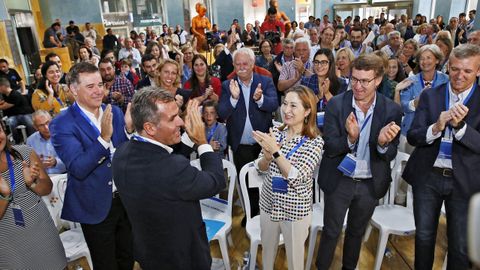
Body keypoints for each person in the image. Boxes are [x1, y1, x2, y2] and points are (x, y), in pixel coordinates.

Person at [112, 88, 224, 269]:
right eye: (173, 118)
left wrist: (188, 138)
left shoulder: (121, 153)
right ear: (149, 127)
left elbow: (162, 159)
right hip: (183, 258)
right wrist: (202, 142)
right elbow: (216, 181)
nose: (180, 121)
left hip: (149, 253)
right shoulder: (172, 168)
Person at [316, 54, 402, 270]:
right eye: (354, 79)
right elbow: (330, 146)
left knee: (356, 232)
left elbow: (390, 153)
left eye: (365, 81)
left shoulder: (391, 109)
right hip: (340, 180)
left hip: (369, 184)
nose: (358, 86)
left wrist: (383, 143)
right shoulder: (336, 104)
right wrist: (349, 139)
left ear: (378, 80)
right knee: (331, 231)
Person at [403, 43, 480, 270]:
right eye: (455, 69)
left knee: (460, 246)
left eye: (467, 71)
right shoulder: (430, 96)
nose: (459, 76)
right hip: (428, 177)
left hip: (464, 182)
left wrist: (461, 128)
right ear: (448, 67)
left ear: (478, 70)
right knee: (424, 238)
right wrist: (436, 127)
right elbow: (414, 137)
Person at [50, 62, 134, 270]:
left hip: (125, 200)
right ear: (73, 89)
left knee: (128, 257)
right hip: (95, 206)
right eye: (90, 86)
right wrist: (104, 139)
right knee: (106, 264)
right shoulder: (62, 123)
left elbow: (124, 154)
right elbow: (78, 168)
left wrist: (130, 132)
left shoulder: (112, 110)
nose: (98, 91)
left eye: (100, 84)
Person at [253, 85, 323, 270]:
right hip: (269, 204)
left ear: (307, 111)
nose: (286, 110)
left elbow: (296, 177)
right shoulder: (276, 133)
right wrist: (266, 158)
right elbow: (260, 169)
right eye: (285, 104)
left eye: (293, 106)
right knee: (267, 252)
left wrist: (275, 151)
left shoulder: (314, 142)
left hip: (295, 211)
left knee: (294, 259)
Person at [218, 47, 278, 224]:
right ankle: (251, 214)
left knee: (267, 180)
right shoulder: (227, 85)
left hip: (263, 145)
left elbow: (274, 104)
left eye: (245, 63)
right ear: (234, 66)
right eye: (238, 64)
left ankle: (268, 213)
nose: (242, 67)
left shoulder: (265, 81)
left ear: (253, 64)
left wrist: (260, 99)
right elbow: (222, 112)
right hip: (241, 144)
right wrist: (234, 99)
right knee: (247, 181)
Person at [0, 122, 67, 269]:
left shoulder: (24, 153)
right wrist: (5, 196)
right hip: (8, 244)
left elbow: (47, 189)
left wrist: (32, 183)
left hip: (42, 232)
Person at [397, 45, 449, 152]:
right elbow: (403, 106)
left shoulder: (446, 80)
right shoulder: (410, 81)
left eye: (429, 57)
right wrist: (415, 103)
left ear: (437, 60)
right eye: (421, 58)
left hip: (438, 132)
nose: (425, 61)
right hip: (411, 131)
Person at [301, 48, 347, 113]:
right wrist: (318, 96)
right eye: (316, 62)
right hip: (311, 121)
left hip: (332, 121)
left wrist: (327, 93)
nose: (319, 66)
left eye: (323, 62)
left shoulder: (341, 83)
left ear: (330, 64)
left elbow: (340, 110)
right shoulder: (306, 81)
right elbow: (303, 107)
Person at [26, 110, 66, 174]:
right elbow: (28, 165)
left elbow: (73, 161)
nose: (46, 128)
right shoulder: (30, 141)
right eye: (41, 125)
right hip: (43, 178)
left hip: (64, 175)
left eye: (48, 122)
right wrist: (37, 164)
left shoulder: (64, 135)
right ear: (35, 127)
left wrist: (56, 162)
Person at [0, 78, 35, 143]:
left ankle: (33, 140)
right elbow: (4, 102)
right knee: (10, 123)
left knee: (30, 124)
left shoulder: (15, 94)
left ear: (3, 87)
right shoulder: (6, 95)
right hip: (14, 116)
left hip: (25, 114)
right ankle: (17, 141)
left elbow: (4, 107)